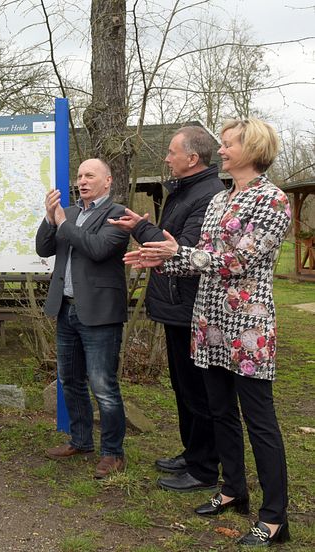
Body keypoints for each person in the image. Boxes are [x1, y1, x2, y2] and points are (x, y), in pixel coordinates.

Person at [125, 118, 291, 547]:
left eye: (230, 143)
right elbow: (205, 256)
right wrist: (159, 258)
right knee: (220, 412)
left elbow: (237, 261)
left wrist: (180, 253)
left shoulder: (271, 201)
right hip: (209, 322)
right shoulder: (222, 199)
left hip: (248, 327)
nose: (222, 149)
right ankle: (233, 489)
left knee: (260, 422)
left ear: (252, 148)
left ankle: (274, 517)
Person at [109, 126, 224, 492]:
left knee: (197, 391)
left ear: (192, 158)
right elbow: (170, 241)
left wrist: (142, 227)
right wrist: (143, 228)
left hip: (191, 306)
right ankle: (192, 454)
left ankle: (205, 468)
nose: (166, 157)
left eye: (172, 152)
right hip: (176, 306)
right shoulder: (187, 191)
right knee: (183, 387)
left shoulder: (207, 196)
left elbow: (184, 250)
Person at [35, 158, 130, 479]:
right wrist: (50, 219)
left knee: (103, 385)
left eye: (90, 175)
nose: (82, 181)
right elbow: (42, 249)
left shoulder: (117, 215)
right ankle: (80, 440)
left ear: (108, 180)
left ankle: (113, 453)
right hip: (67, 309)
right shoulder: (70, 213)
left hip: (100, 313)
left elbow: (97, 248)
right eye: (79, 175)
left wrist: (63, 223)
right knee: (70, 380)